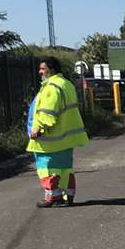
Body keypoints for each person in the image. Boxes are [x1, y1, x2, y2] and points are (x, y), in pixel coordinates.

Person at [27, 56, 89, 207]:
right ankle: (68, 195)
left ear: (52, 70)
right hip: (65, 138)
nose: (40, 72)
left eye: (43, 69)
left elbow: (48, 111)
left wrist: (39, 129)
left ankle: (53, 198)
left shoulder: (52, 87)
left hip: (51, 139)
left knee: (47, 168)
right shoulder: (66, 84)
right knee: (64, 168)